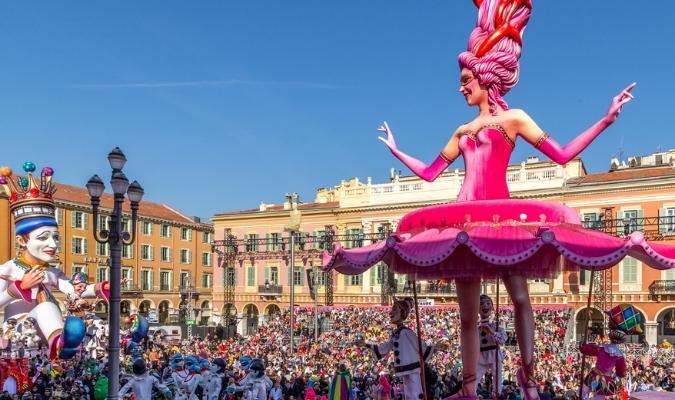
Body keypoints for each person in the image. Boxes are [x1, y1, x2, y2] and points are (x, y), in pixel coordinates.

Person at [322, 1, 661, 399]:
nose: (461, 86)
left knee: (520, 300)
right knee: (466, 316)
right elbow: (431, 172)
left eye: (466, 78)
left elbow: (564, 155)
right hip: (464, 222)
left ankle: (529, 383)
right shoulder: (462, 129)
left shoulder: (513, 119)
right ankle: (468, 389)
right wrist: (397, 151)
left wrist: (606, 119)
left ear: (486, 78)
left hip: (502, 221)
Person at [0, 163, 110, 359]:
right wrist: (17, 288)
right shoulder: (9, 269)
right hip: (18, 332)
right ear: (22, 240)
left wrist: (101, 287)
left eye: (56, 237)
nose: (53, 244)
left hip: (43, 333)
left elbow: (74, 289)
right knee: (46, 308)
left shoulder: (52, 273)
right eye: (43, 238)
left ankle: (62, 343)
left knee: (83, 318)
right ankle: (61, 343)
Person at [356, 298, 443, 400]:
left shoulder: (407, 332)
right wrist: (366, 345)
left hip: (412, 369)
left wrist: (434, 348)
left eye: (395, 310)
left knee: (415, 394)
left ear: (402, 313)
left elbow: (421, 346)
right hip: (405, 370)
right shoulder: (396, 334)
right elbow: (385, 347)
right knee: (409, 395)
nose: (391, 313)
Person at [476, 295, 506, 396]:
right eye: (482, 304)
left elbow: (502, 340)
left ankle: (496, 395)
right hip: (480, 355)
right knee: (473, 379)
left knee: (497, 379)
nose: (485, 306)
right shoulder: (475, 328)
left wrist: (492, 332)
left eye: (488, 303)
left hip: (494, 354)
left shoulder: (496, 325)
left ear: (492, 306)